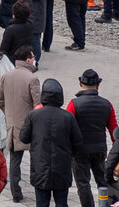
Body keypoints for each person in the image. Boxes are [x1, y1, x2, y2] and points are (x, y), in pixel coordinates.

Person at [18, 78, 83, 207]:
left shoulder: (34, 115)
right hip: (62, 167)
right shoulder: (68, 117)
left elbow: (23, 137)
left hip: (40, 167)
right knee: (61, 203)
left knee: (41, 203)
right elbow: (78, 142)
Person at [66, 69, 117, 207]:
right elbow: (114, 130)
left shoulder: (73, 104)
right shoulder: (107, 104)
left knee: (83, 184)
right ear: (98, 85)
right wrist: (117, 151)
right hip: (100, 150)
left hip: (80, 151)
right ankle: (106, 204)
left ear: (80, 84)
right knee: (103, 181)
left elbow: (66, 128)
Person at [0, 45, 41, 203]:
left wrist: (10, 115)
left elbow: (0, 101)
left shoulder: (6, 76)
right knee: (36, 160)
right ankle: (38, 190)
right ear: (28, 59)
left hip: (12, 125)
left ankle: (16, 193)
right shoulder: (32, 78)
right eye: (33, 56)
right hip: (32, 127)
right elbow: (38, 105)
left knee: (14, 161)